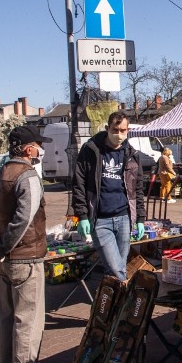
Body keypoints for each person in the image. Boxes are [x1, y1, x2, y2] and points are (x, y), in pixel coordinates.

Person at [0, 124, 57, 363]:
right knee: (28, 320)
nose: (41, 150)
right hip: (25, 258)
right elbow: (23, 219)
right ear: (28, 148)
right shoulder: (28, 177)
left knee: (8, 317)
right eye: (38, 145)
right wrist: (5, 246)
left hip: (6, 260)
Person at [72, 111, 146, 280]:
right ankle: (122, 301)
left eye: (123, 130)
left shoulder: (132, 155)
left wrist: (140, 219)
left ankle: (110, 303)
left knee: (119, 266)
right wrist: (82, 215)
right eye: (115, 130)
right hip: (100, 220)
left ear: (128, 130)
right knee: (116, 269)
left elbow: (138, 189)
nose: (119, 134)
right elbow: (78, 183)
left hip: (124, 218)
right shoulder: (91, 150)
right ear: (107, 128)